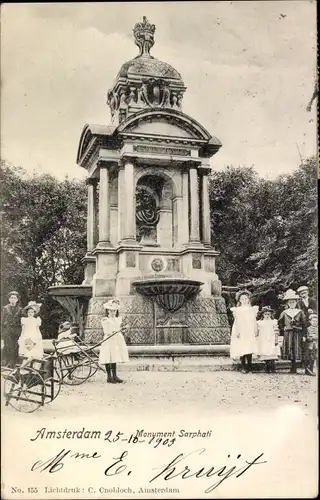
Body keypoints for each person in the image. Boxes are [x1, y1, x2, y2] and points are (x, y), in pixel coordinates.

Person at [99, 299, 129, 383]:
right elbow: (107, 331)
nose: (113, 312)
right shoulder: (105, 320)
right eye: (111, 311)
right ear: (108, 311)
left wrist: (122, 329)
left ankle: (115, 376)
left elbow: (117, 328)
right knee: (108, 356)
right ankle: (109, 377)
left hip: (116, 339)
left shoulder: (117, 319)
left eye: (115, 311)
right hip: (109, 339)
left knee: (114, 356)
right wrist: (117, 330)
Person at [278, 289, 307, 374]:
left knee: (296, 348)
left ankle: (297, 366)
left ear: (296, 303)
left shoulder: (300, 312)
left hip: (297, 332)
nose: (292, 304)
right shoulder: (284, 312)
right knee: (289, 348)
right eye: (290, 302)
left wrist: (304, 334)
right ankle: (292, 367)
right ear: (287, 303)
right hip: (288, 332)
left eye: (293, 302)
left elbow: (304, 323)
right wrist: (283, 328)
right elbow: (280, 322)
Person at [229, 290, 259, 374]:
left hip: (249, 329)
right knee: (242, 347)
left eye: (246, 298)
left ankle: (250, 366)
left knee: (249, 347)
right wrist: (237, 331)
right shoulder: (238, 310)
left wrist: (255, 329)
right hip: (241, 329)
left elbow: (254, 320)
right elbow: (237, 321)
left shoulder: (252, 309)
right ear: (239, 300)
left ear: (248, 300)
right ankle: (243, 366)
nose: (244, 300)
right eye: (242, 299)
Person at [1, 291, 22, 368]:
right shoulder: (5, 308)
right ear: (9, 299)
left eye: (15, 298)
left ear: (17, 299)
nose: (13, 299)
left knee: (15, 346)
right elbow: (2, 321)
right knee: (8, 346)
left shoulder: (20, 309)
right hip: (8, 330)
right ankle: (7, 362)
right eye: (11, 298)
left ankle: (14, 363)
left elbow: (21, 320)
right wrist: (3, 331)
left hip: (16, 330)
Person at [256, 306, 281, 373]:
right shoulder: (259, 322)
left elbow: (276, 331)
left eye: (268, 314)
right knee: (265, 351)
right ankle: (267, 366)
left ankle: (272, 366)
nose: (267, 316)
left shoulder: (273, 322)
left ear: (271, 314)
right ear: (262, 315)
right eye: (265, 314)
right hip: (263, 338)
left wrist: (276, 339)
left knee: (272, 350)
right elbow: (257, 332)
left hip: (271, 338)